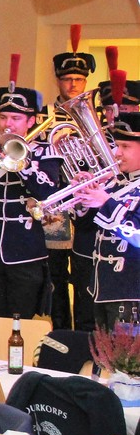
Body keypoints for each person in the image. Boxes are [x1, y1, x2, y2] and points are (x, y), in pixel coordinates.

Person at [0, 85, 61, 319]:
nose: (8, 124)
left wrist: (21, 163)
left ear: (31, 121)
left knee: (21, 320)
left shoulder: (44, 150)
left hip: (25, 248)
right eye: (3, 117)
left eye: (16, 118)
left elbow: (48, 192)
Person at [44, 32, 96, 329]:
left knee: (84, 272)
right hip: (56, 200)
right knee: (56, 273)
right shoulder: (44, 117)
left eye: (79, 79)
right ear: (58, 81)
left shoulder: (96, 117)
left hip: (87, 203)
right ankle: (61, 329)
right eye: (67, 79)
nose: (73, 85)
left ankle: (84, 331)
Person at [80, 112, 140, 328]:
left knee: (126, 351)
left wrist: (104, 202)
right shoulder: (114, 183)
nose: (116, 152)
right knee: (101, 349)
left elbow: (137, 236)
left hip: (132, 292)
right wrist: (83, 195)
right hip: (102, 287)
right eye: (116, 145)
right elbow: (84, 227)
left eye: (125, 146)